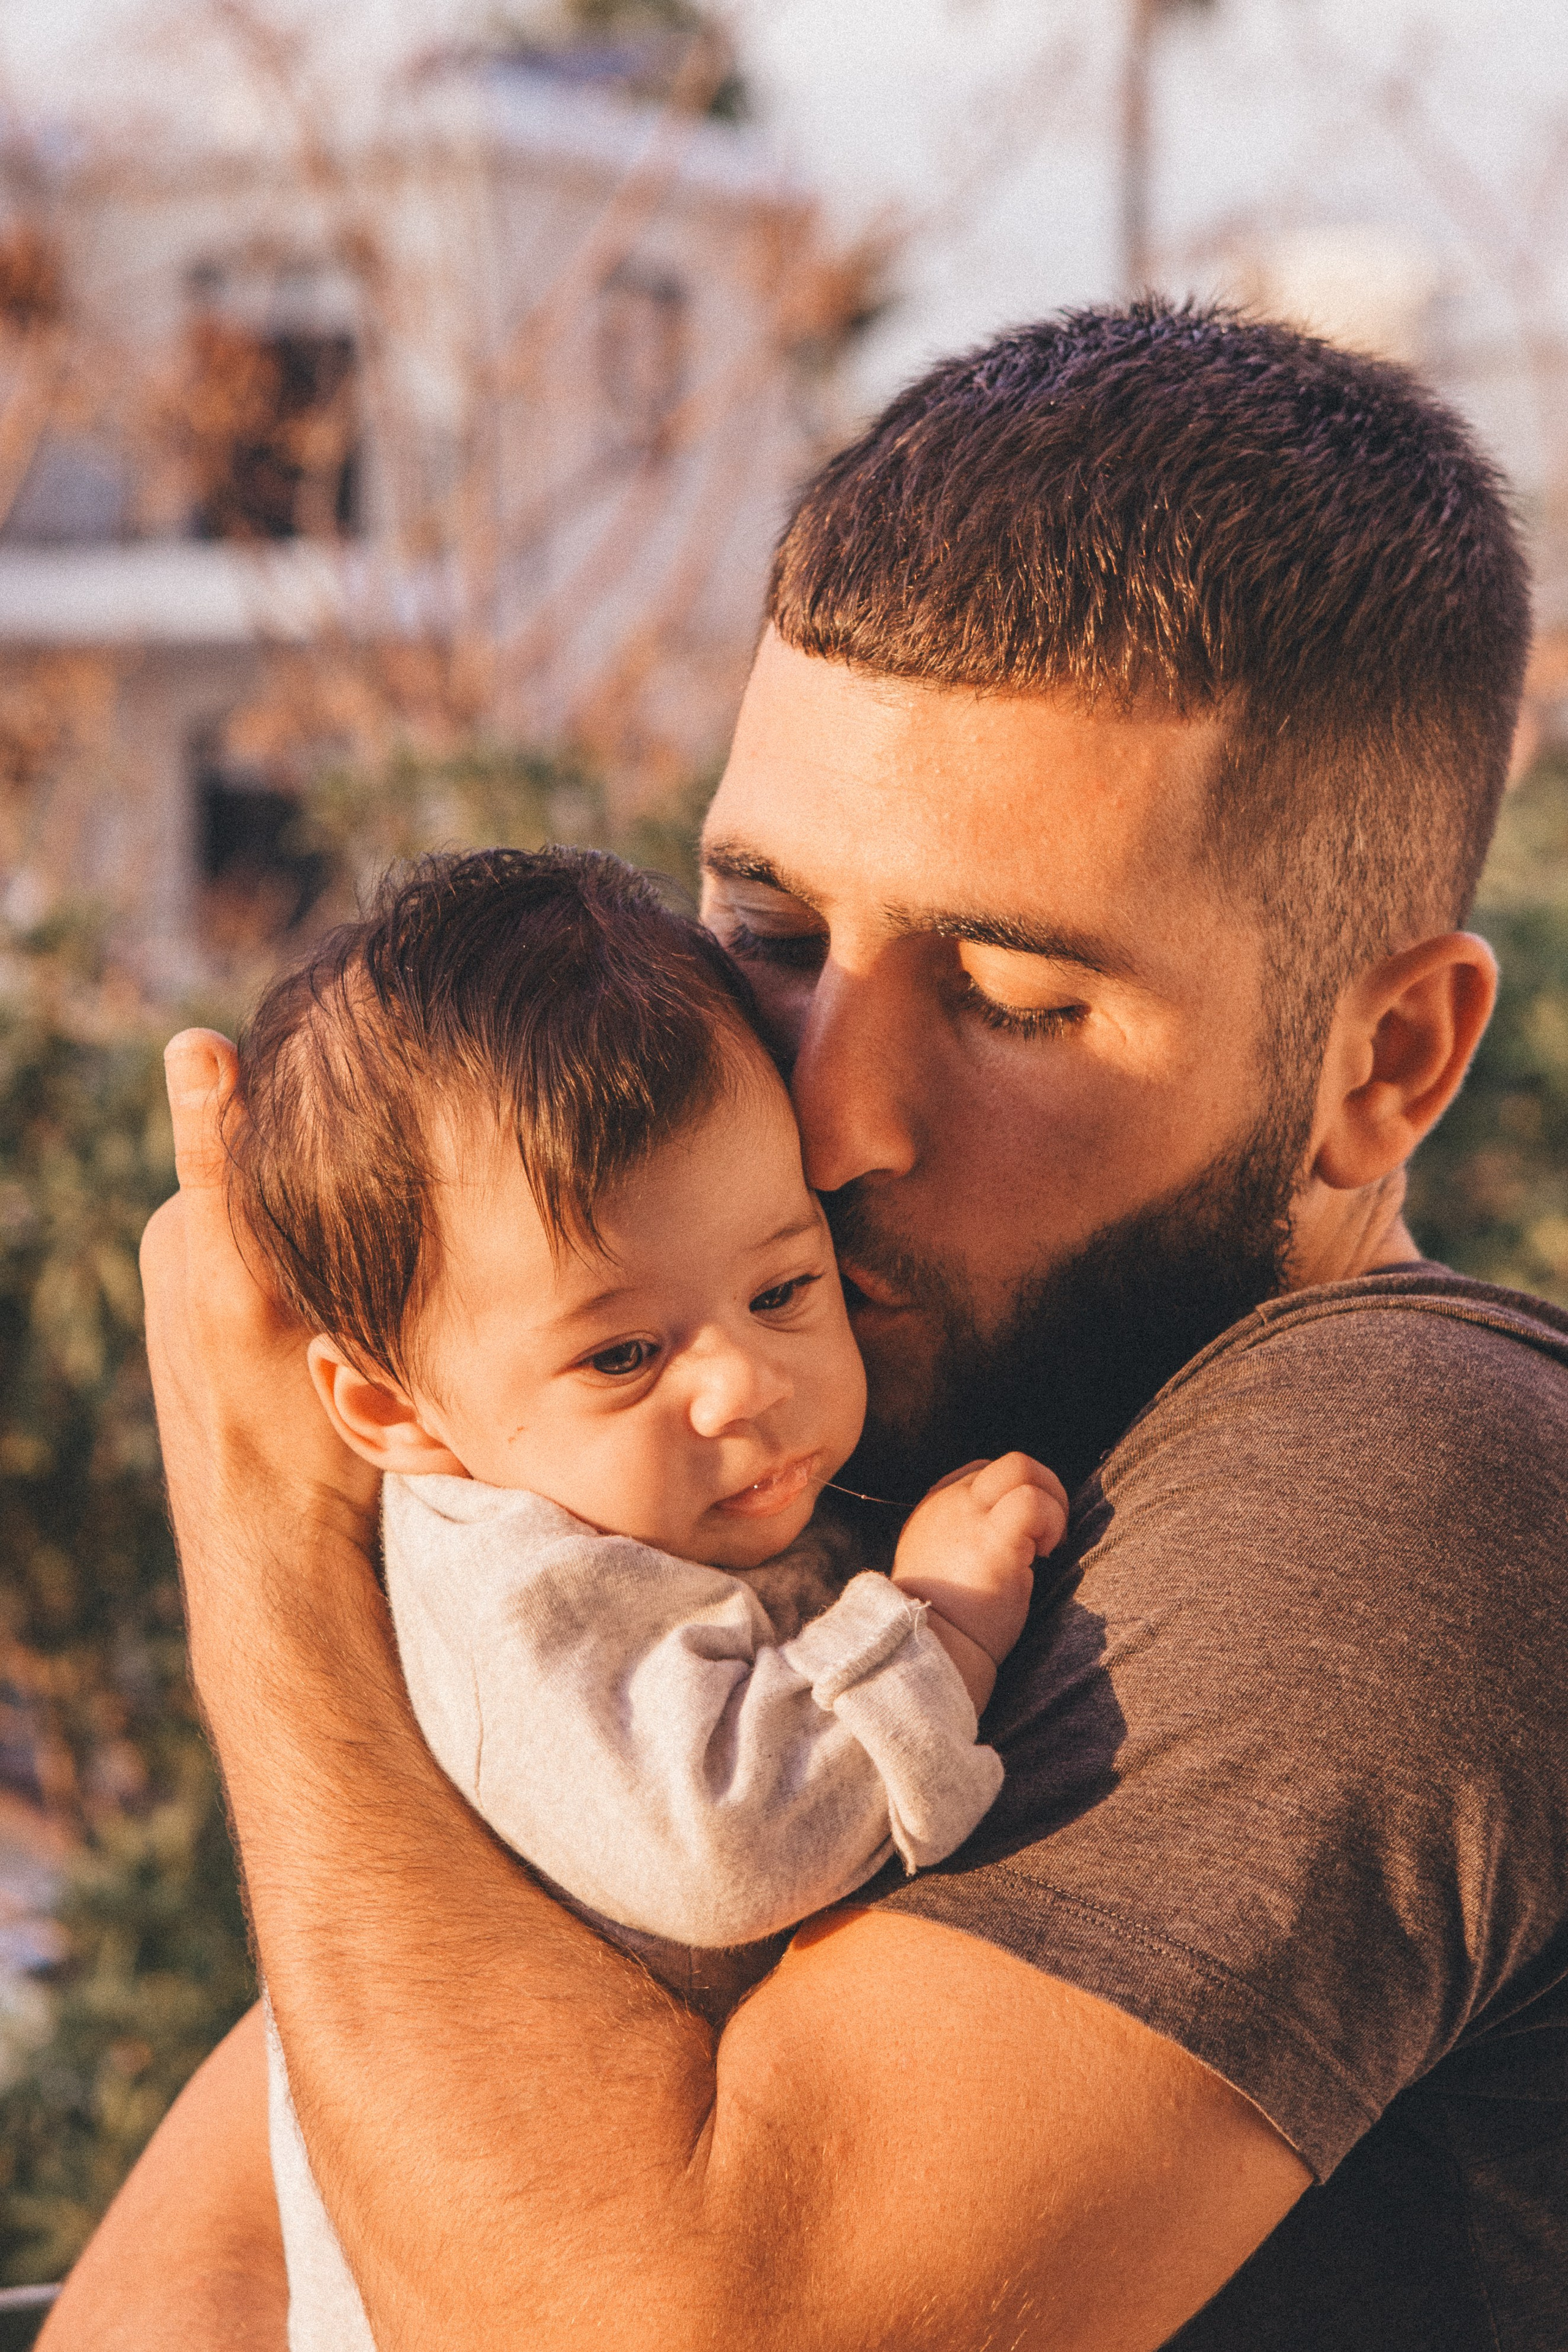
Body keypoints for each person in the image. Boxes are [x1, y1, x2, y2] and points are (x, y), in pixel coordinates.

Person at [50, 301, 1568, 2351]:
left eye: (1016, 997)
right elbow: (248, 2228)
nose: (831, 1112)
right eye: (768, 933)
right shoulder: (789, 1453)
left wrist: (270, 1527)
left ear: (1387, 1062)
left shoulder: (1405, 1473)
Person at [231, 843, 1062, 2349]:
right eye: (621, 1357)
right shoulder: (519, 1593)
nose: (743, 1384)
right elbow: (725, 1844)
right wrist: (932, 1624)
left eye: (783, 1290)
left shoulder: (623, 1499)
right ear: (396, 1412)